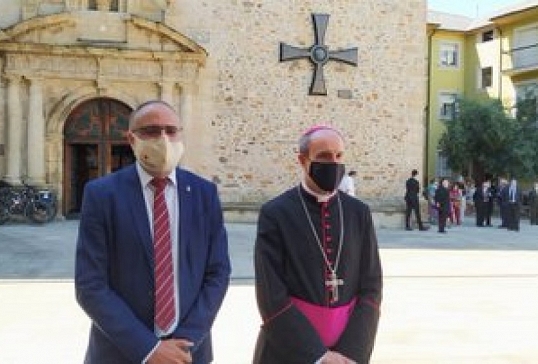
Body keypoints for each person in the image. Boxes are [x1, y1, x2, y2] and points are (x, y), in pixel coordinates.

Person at [75, 100, 231, 364]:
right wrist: (148, 349)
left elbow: (217, 273)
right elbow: (91, 285)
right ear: (131, 139)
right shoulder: (102, 194)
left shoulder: (204, 194)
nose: (163, 139)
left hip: (189, 352)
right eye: (151, 131)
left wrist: (183, 343)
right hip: (120, 352)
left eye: (171, 130)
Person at [253, 125, 383, 364]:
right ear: (303, 160)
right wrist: (317, 356)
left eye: (339, 156)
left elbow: (371, 286)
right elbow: (271, 295)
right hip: (288, 351)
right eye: (324, 156)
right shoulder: (276, 213)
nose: (333, 163)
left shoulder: (358, 213)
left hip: (348, 354)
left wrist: (350, 353)